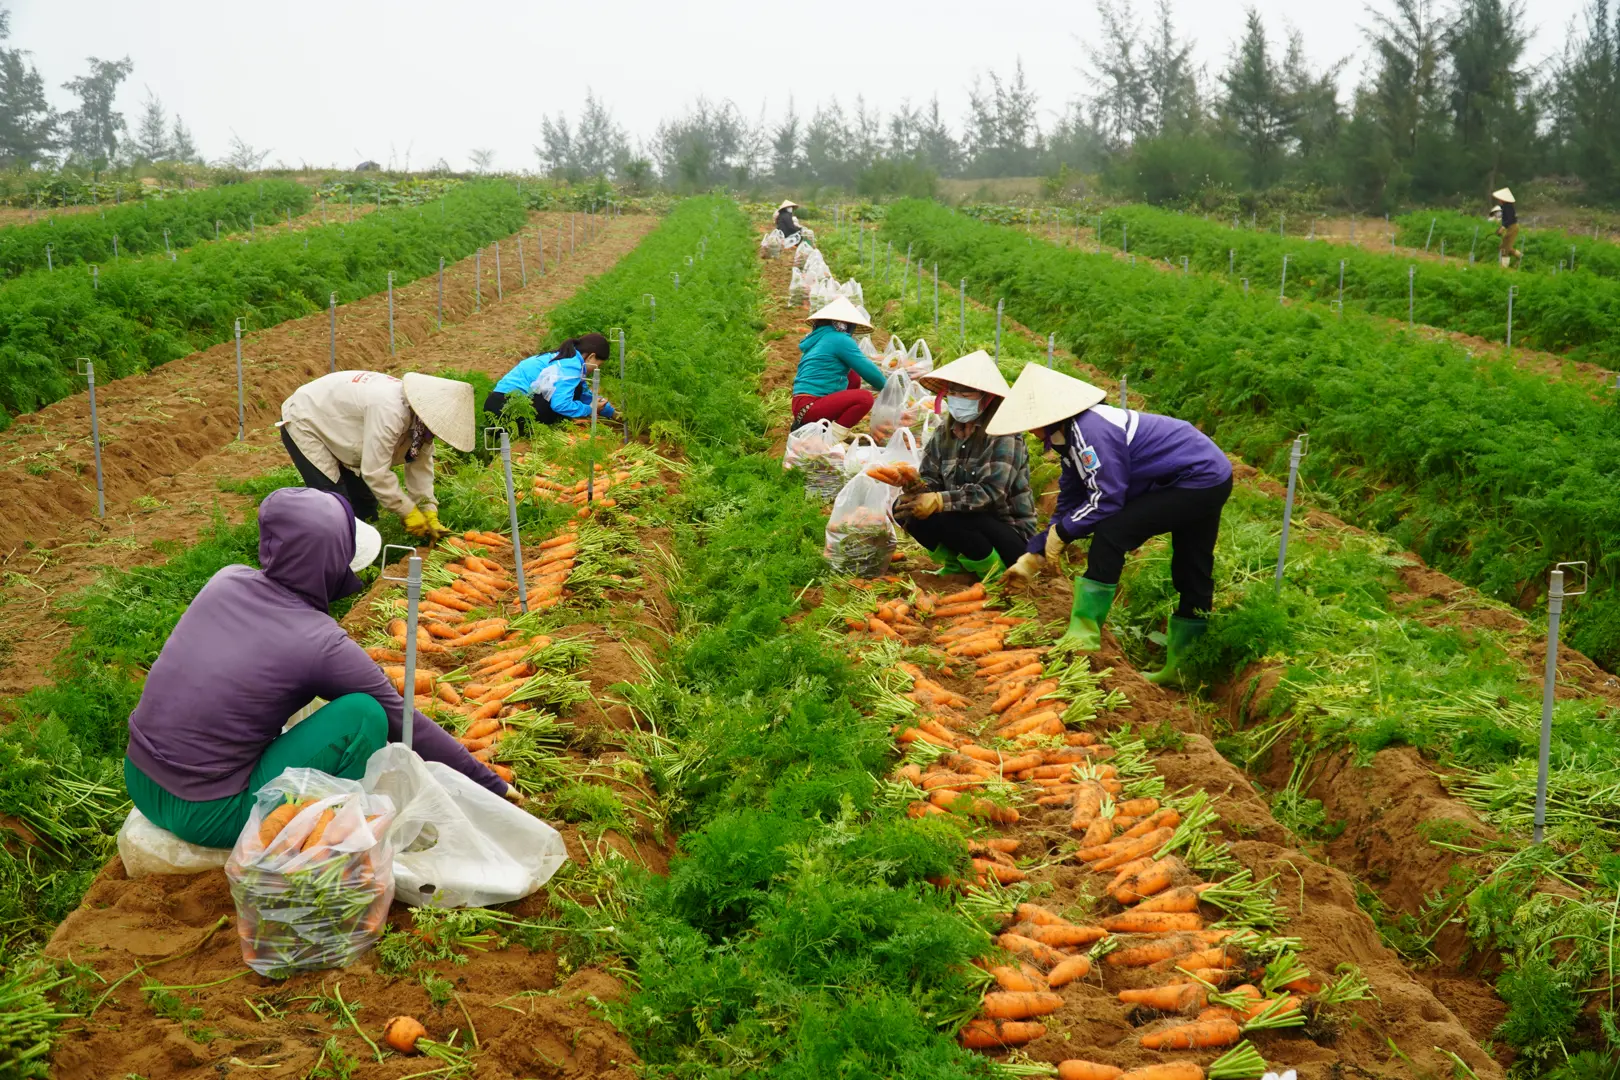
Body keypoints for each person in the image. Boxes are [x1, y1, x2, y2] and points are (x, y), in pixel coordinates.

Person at [123, 487, 512, 849]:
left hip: (140, 779)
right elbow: (402, 719)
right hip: (210, 814)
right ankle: (334, 831)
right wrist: (493, 787)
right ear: (329, 565)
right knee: (363, 715)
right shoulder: (319, 642)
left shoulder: (226, 580)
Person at [990, 364, 1233, 685]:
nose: (1032, 433)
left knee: (1112, 532)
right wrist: (1036, 551)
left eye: (1032, 425)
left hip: (1197, 478)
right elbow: (1071, 498)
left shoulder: (1091, 432)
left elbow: (1106, 498)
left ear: (1047, 418)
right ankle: (1184, 668)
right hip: (1204, 474)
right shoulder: (1070, 439)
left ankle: (1085, 636)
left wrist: (1062, 533)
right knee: (1192, 566)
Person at [280, 371, 473, 544]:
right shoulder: (390, 411)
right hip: (307, 418)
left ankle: (364, 550)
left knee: (364, 503)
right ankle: (337, 562)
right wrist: (408, 511)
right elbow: (375, 472)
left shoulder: (422, 424)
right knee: (335, 505)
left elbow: (420, 465)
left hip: (344, 425)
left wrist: (427, 509)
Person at [893, 350, 1035, 581]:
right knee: (903, 508)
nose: (956, 398)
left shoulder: (1004, 435)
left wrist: (939, 501)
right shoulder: (944, 434)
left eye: (964, 394)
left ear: (986, 397)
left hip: (1009, 536)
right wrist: (913, 487)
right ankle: (958, 565)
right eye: (952, 392)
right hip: (967, 524)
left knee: (952, 513)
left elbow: (992, 493)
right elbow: (931, 479)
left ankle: (995, 573)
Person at [792, 296, 888, 431]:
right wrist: (890, 388)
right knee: (864, 398)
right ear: (844, 324)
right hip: (810, 407)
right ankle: (832, 438)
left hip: (801, 403)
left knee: (852, 376)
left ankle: (828, 426)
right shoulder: (840, 339)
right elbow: (869, 372)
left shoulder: (820, 338)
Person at [482, 333, 617, 425]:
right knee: (564, 401)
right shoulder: (570, 366)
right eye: (598, 365)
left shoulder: (568, 359)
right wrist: (589, 409)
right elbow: (560, 405)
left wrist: (612, 413)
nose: (596, 369)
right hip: (506, 408)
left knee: (576, 391)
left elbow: (584, 395)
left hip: (498, 404)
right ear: (591, 357)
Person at [1492, 187, 1520, 268]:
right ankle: (1520, 257)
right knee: (1504, 246)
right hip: (1511, 227)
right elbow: (1505, 219)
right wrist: (1502, 227)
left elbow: (1510, 219)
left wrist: (1503, 227)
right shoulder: (1504, 207)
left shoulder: (1509, 207)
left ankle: (1504, 267)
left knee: (1504, 247)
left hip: (1512, 227)